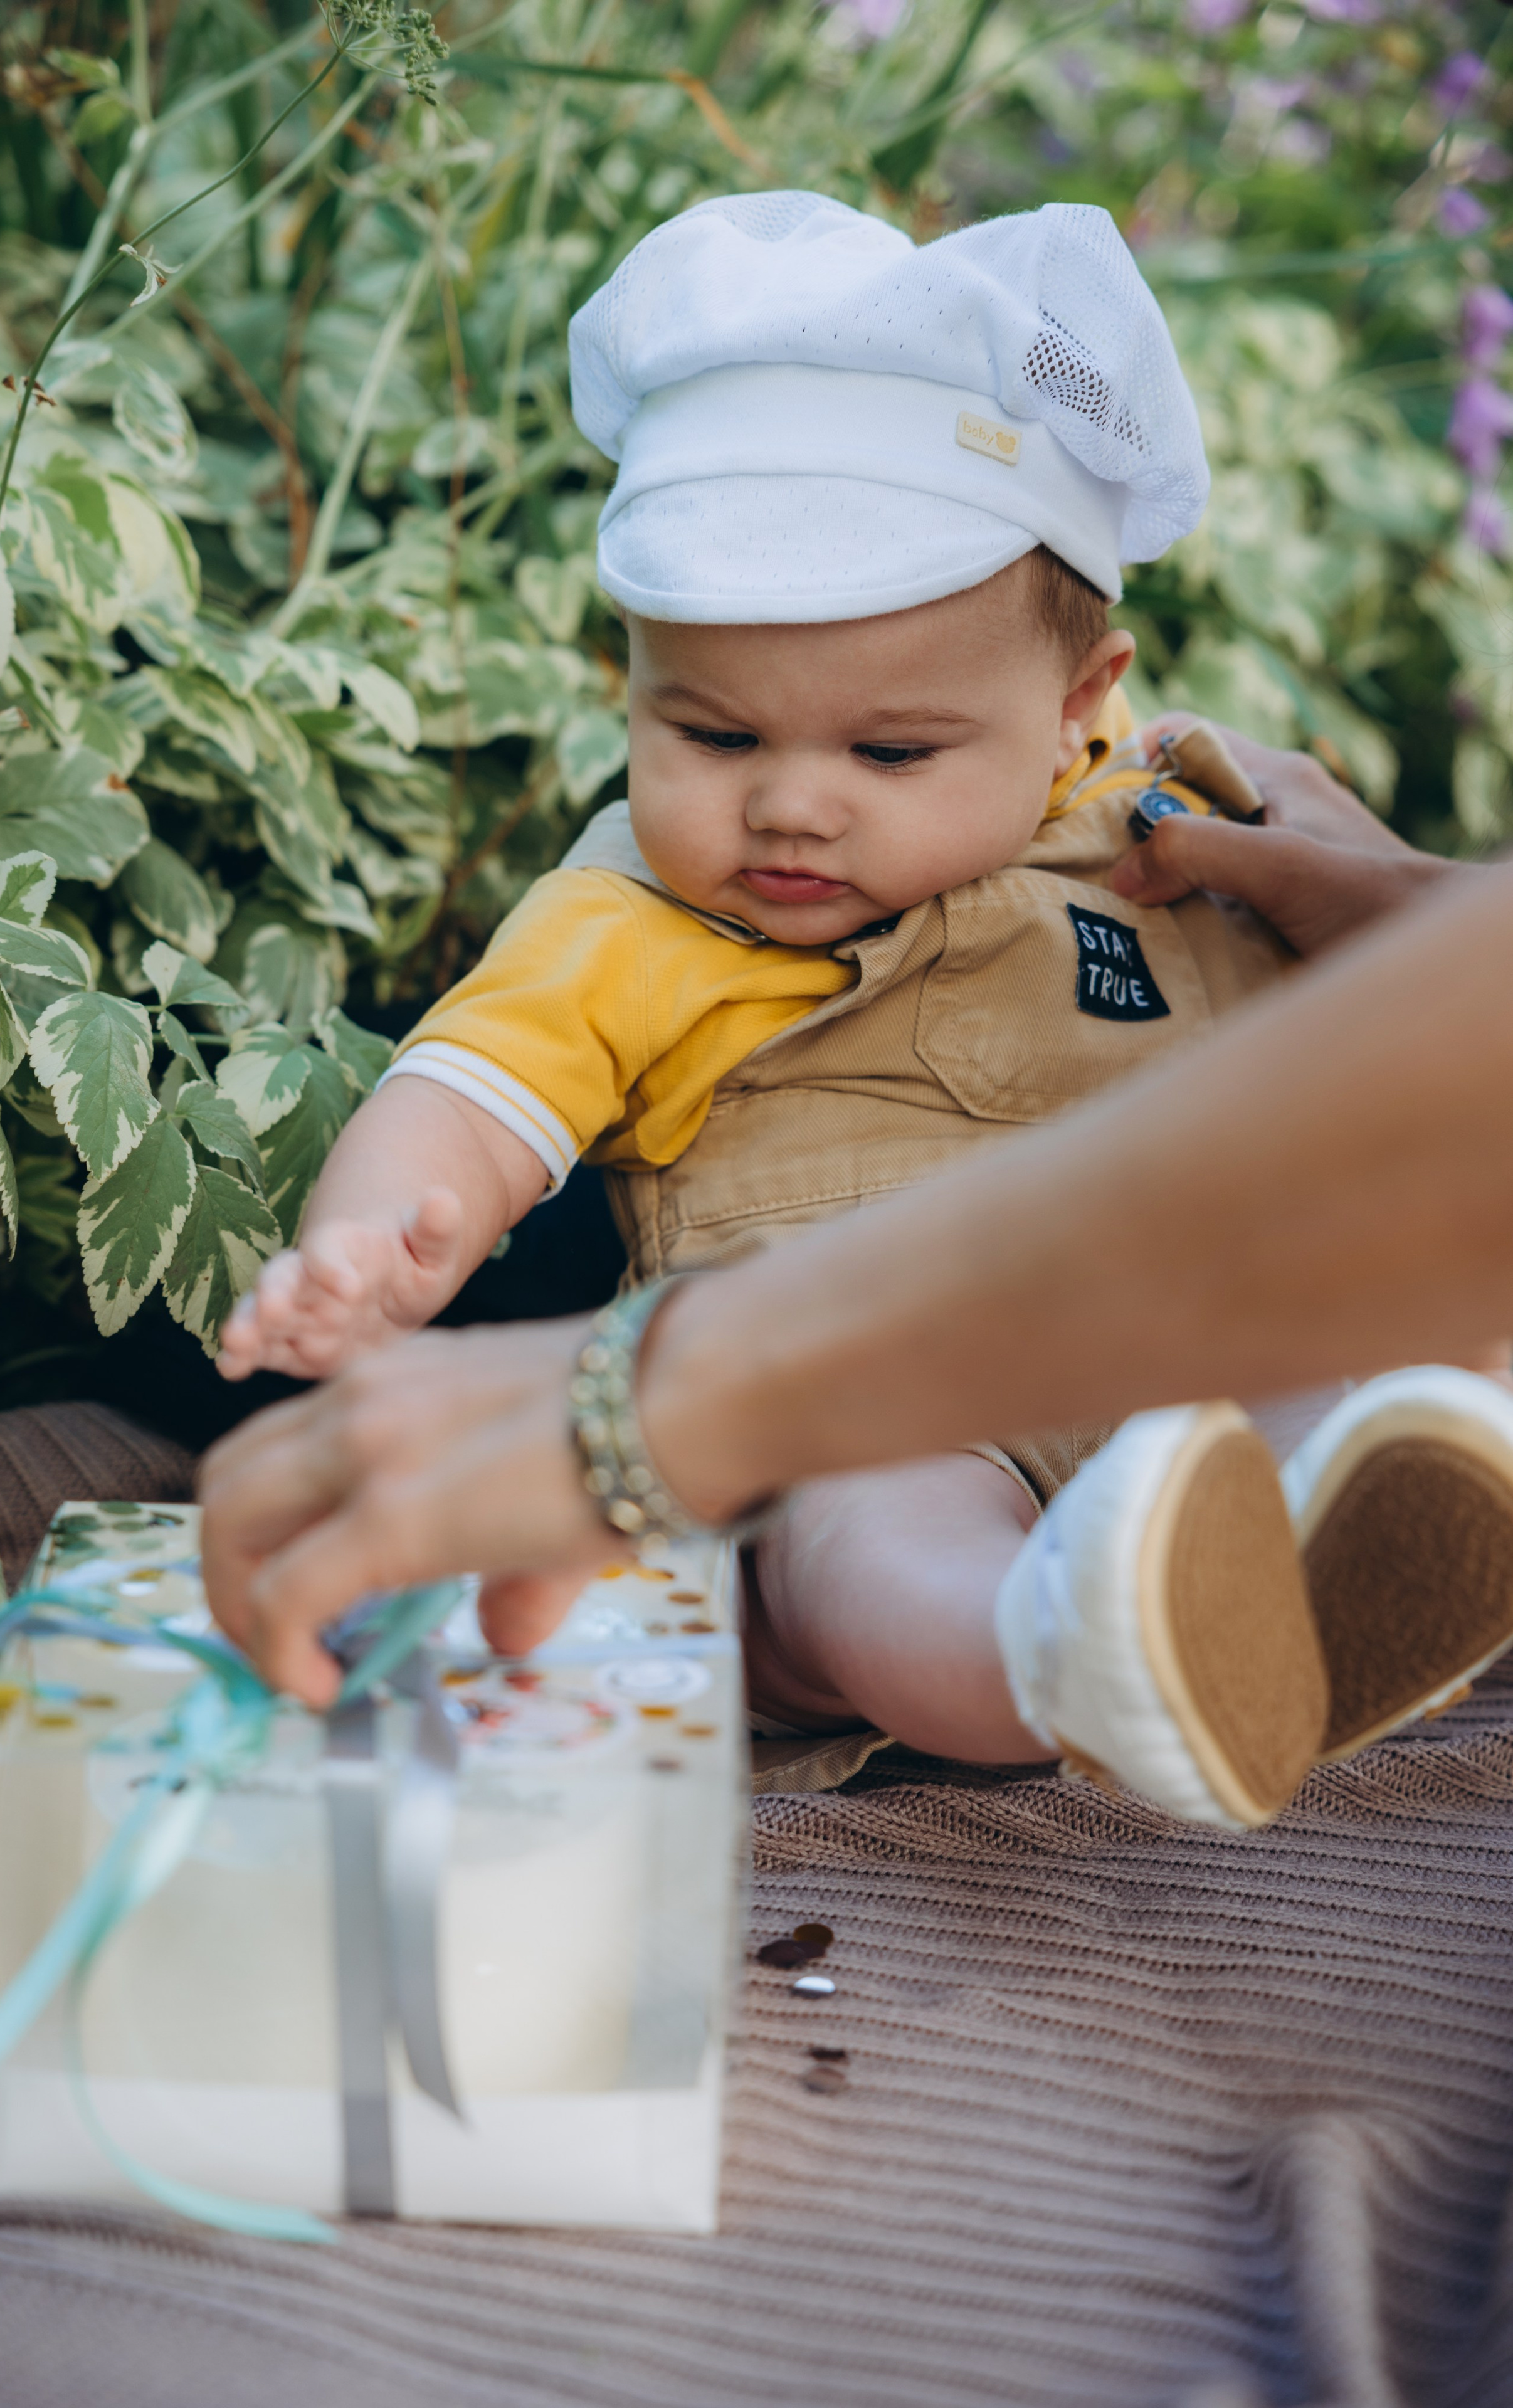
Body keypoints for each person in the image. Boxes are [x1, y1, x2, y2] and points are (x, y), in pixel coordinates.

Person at [203, 196, 1513, 1827]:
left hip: (1186, 1362)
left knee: (1391, 1370)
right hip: (850, 1410)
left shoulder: (1178, 830)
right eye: (714, 737)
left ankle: (1327, 1580)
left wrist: (1363, 911)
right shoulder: (637, 916)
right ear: (633, 685)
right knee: (860, 1546)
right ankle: (1078, 1652)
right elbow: (467, 1097)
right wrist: (370, 1245)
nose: (791, 808)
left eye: (891, 754)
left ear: (1079, 708)